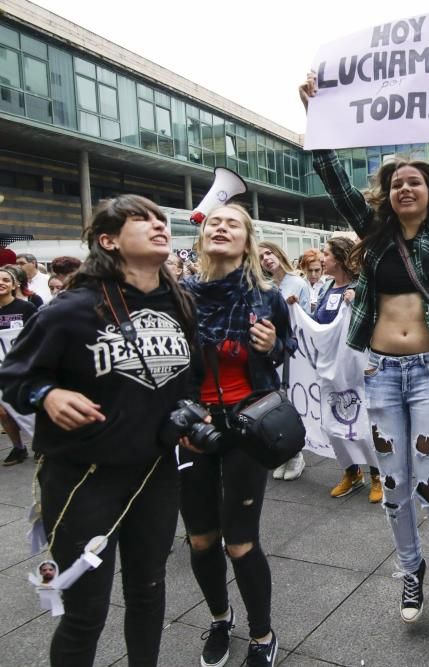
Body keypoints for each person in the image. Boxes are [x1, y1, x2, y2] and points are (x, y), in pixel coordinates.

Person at [300, 63, 429, 629]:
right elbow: (334, 178)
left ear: (428, 191)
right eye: (396, 184)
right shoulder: (374, 236)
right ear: (387, 197)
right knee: (394, 485)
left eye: (414, 181)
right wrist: (315, 115)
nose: (405, 188)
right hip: (383, 372)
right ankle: (410, 570)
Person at [0, 195, 196, 666]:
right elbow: (13, 376)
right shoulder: (70, 309)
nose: (158, 225)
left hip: (155, 474)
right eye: (141, 220)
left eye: (160, 219)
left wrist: (195, 415)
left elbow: (191, 379)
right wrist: (46, 395)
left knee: (149, 592)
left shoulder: (181, 301)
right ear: (108, 240)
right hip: (83, 478)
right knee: (86, 610)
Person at [181, 203, 295, 667]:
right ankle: (219, 617)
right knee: (201, 539)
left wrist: (273, 347)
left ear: (247, 241)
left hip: (248, 424)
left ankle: (262, 634)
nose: (222, 227)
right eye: (214, 222)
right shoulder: (181, 296)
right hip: (194, 427)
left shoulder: (265, 296)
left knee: (240, 541)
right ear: (203, 237)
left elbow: (286, 346)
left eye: (233, 223)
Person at [317, 236, 382, 501]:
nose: (322, 259)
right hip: (329, 368)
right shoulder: (325, 289)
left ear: (341, 258)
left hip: (356, 368)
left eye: (326, 254)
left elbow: (375, 322)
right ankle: (351, 471)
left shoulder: (360, 288)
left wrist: (357, 303)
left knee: (364, 420)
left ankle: (378, 473)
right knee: (331, 421)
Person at [258, 240, 309, 481]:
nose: (267, 258)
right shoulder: (265, 287)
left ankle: (296, 452)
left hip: (294, 349)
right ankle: (285, 451)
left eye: (269, 252)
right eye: (261, 256)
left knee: (292, 399)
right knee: (277, 401)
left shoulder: (297, 283)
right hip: (273, 351)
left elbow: (306, 320)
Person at [0, 265, 38, 466]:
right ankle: (18, 447)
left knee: (32, 406)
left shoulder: (26, 308)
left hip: (23, 367)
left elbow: (37, 336)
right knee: (3, 411)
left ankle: (40, 442)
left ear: (14, 285)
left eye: (6, 280)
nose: (1, 283)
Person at [299, 248, 327, 313]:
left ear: (323, 268)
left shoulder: (329, 284)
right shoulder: (299, 284)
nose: (313, 274)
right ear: (303, 268)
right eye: (309, 270)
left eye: (317, 270)